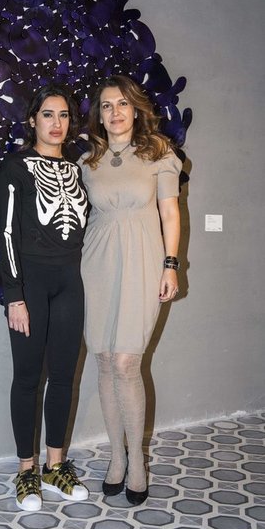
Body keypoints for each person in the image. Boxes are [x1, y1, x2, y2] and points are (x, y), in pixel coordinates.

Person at [79, 75, 182, 506]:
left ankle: (137, 460)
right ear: (99, 115)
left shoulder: (159, 153)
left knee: (126, 361)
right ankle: (116, 457)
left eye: (122, 103)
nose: (115, 112)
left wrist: (171, 265)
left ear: (136, 110)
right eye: (106, 106)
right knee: (104, 360)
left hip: (143, 260)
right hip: (96, 263)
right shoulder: (88, 161)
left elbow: (170, 214)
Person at [0, 84, 89, 511]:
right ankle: (26, 470)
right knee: (28, 378)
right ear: (33, 120)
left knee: (64, 376)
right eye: (48, 114)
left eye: (64, 115)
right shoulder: (15, 166)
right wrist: (14, 296)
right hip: (30, 283)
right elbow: (7, 233)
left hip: (70, 281)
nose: (57, 123)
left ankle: (55, 465)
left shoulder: (77, 168)